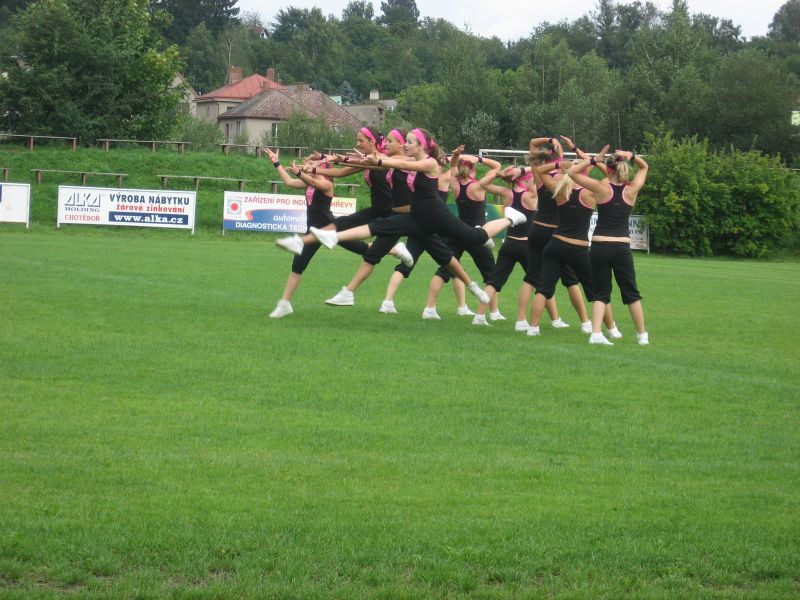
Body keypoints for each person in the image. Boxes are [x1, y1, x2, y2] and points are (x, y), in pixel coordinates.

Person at [277, 129, 526, 305]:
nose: (406, 145)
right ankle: (331, 238)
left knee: (476, 237)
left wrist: (379, 160)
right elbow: (376, 164)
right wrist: (344, 159)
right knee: (377, 227)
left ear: (421, 146)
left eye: (409, 141)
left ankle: (509, 218)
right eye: (404, 141)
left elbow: (402, 165)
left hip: (436, 217)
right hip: (416, 218)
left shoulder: (429, 163)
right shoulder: (406, 158)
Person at [314, 129, 465, 309]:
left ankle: (469, 288)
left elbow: (392, 162)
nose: (386, 144)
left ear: (402, 144)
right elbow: (372, 162)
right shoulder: (392, 160)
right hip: (401, 216)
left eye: (391, 141)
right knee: (380, 255)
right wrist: (338, 159)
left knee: (445, 255)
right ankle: (364, 295)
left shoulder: (409, 161)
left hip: (414, 218)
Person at [275, 127, 413, 271]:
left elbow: (371, 162)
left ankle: (396, 250)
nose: (358, 144)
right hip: (377, 210)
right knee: (348, 231)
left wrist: (331, 160)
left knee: (367, 249)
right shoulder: (369, 160)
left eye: (361, 140)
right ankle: (300, 242)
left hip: (390, 212)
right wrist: (314, 168)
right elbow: (340, 172)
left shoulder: (384, 159)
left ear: (372, 141)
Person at [526, 152, 615, 337]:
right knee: (597, 292)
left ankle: (532, 328)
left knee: (543, 289)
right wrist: (595, 161)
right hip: (578, 248)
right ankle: (612, 329)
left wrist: (559, 165)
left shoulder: (559, 189)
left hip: (555, 245)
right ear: (584, 172)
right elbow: (612, 176)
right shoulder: (590, 192)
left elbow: (540, 171)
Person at [567, 150, 650, 345]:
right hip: (621, 247)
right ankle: (642, 336)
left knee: (601, 293)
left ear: (608, 169)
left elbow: (572, 173)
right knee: (631, 293)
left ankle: (596, 333)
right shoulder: (632, 189)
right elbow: (644, 167)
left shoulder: (600, 187)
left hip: (599, 247)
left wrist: (593, 160)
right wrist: (632, 156)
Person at [421, 148, 503, 320]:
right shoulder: (478, 186)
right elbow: (497, 166)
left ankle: (429, 308)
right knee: (491, 275)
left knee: (444, 270)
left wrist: (457, 157)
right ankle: (494, 312)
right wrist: (479, 159)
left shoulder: (454, 182)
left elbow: (450, 164)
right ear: (473, 169)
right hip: (476, 235)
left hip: (457, 232)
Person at [516, 136, 585, 333]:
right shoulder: (563, 176)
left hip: (537, 229)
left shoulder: (539, 173)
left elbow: (532, 143)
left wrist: (549, 139)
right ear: (558, 157)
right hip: (556, 233)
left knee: (532, 277)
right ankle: (585, 322)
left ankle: (521, 320)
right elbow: (570, 161)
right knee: (570, 280)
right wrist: (560, 144)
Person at [265, 148, 338, 318]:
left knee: (361, 248)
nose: (308, 165)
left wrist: (302, 171)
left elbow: (314, 181)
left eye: (312, 164)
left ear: (322, 168)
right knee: (297, 266)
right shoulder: (309, 183)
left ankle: (392, 249)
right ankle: (284, 304)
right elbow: (289, 182)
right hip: (312, 232)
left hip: (329, 230)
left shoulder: (327, 185)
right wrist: (276, 163)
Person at [470, 163, 538, 326]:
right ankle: (548, 320)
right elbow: (540, 170)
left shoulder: (507, 193)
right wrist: (523, 170)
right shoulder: (531, 195)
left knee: (494, 282)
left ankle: (479, 316)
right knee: (540, 283)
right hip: (527, 246)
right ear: (526, 180)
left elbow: (483, 183)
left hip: (508, 244)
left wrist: (499, 174)